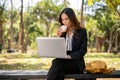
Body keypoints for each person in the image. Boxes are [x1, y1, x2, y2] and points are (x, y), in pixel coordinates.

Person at [46, 7, 87, 80]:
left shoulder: (82, 31)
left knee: (57, 63)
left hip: (76, 62)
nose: (64, 22)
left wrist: (70, 56)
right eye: (62, 19)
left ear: (72, 18)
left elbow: (83, 50)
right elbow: (57, 50)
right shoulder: (62, 32)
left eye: (66, 19)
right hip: (63, 62)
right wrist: (58, 37)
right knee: (59, 71)